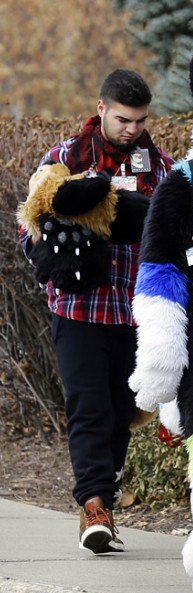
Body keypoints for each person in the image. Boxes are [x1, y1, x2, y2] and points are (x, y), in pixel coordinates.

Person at [16, 69, 174, 553]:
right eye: (124, 119)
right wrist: (49, 250)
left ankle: (103, 492)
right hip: (79, 308)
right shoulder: (65, 159)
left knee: (123, 413)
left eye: (141, 121)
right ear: (102, 109)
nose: (132, 129)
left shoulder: (161, 168)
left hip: (137, 310)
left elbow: (178, 228)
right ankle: (94, 508)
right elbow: (30, 227)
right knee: (88, 408)